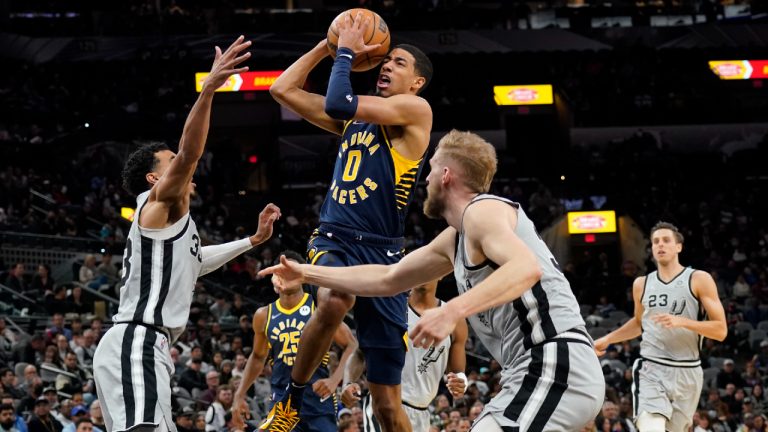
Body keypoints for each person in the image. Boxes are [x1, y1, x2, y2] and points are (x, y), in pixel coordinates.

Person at [261, 130, 605, 431]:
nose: (424, 180)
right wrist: (307, 272)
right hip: (531, 370)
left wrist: (451, 310)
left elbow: (526, 267)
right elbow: (388, 277)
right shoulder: (456, 238)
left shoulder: (483, 211)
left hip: (553, 361)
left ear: (445, 175)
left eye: (429, 170)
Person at [92, 36, 282, 432]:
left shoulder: (172, 226)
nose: (181, 165)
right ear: (154, 178)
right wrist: (209, 89)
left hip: (148, 345)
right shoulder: (156, 203)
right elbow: (191, 152)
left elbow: (197, 261)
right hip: (137, 342)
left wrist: (252, 241)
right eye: (169, 162)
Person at [266, 11, 433, 432]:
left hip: (384, 255)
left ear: (416, 82)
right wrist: (328, 45)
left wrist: (343, 52)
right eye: (386, 60)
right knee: (334, 300)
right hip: (335, 238)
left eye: (399, 63)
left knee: (388, 406)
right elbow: (281, 88)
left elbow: (339, 100)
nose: (387, 66)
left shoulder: (417, 109)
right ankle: (291, 400)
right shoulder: (354, 120)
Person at [594, 222, 727, 432]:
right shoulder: (641, 284)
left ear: (678, 247)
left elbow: (720, 331)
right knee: (651, 427)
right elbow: (639, 323)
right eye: (656, 241)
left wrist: (682, 322)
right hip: (652, 366)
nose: (660, 245)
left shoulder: (699, 279)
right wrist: (607, 339)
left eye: (666, 240)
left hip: (689, 371)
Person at [232, 251, 358, 432]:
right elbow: (258, 357)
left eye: (291, 270)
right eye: (281, 271)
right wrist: (239, 394)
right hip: (282, 403)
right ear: (273, 277)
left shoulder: (318, 306)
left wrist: (335, 379)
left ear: (302, 275)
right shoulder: (263, 315)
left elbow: (351, 345)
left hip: (318, 404)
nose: (286, 274)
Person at [341, 280, 468, 432]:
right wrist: (347, 383)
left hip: (423, 410)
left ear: (441, 274)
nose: (423, 274)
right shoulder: (390, 309)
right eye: (418, 268)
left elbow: (457, 372)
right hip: (386, 404)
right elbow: (360, 353)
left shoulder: (455, 320)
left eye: (428, 268)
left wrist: (461, 382)